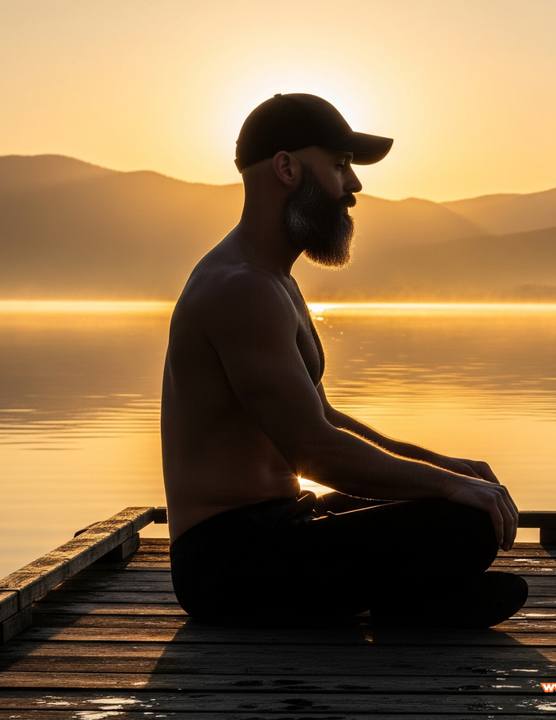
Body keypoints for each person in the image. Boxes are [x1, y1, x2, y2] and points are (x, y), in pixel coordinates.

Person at [160, 93, 526, 627]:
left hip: (280, 523)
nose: (353, 186)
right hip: (225, 561)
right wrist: (448, 486)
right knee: (462, 523)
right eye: (338, 165)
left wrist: (439, 468)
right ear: (286, 168)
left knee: (461, 511)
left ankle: (408, 600)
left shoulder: (273, 281)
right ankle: (410, 602)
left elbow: (323, 419)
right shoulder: (237, 289)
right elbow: (314, 452)